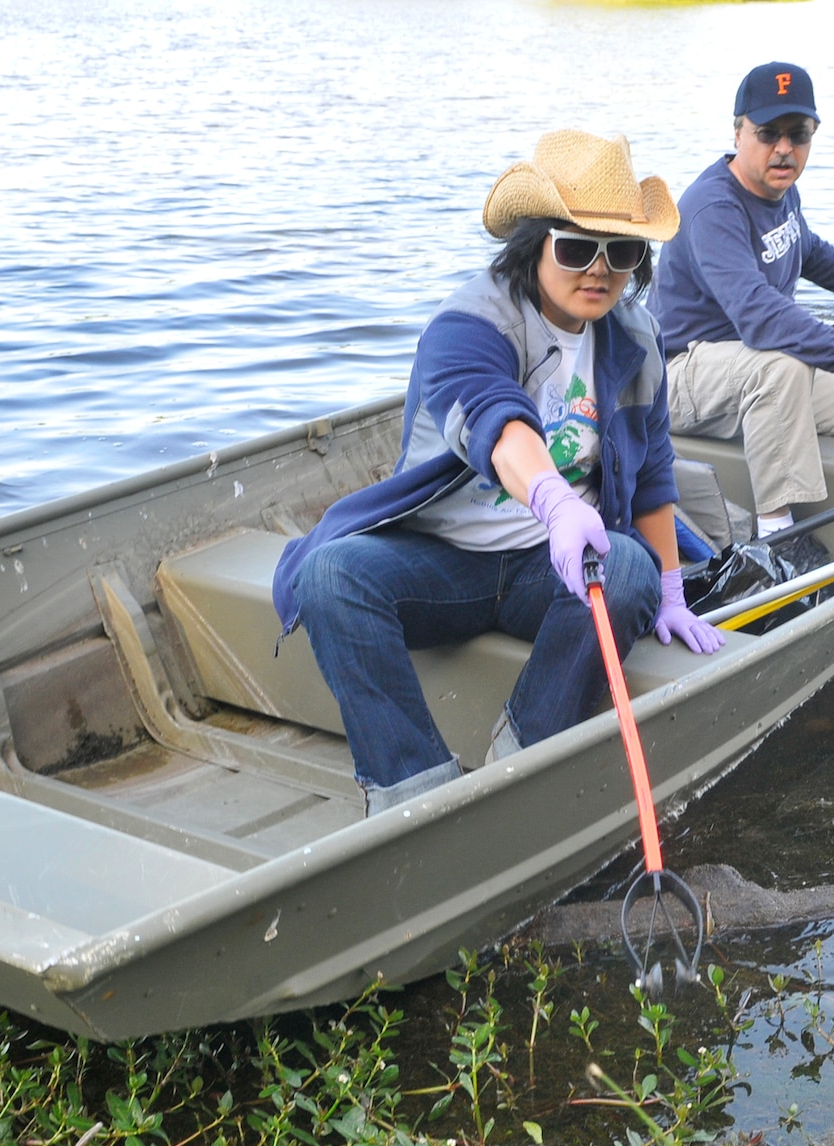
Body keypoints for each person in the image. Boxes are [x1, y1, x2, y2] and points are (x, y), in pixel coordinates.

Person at [272, 130, 724, 816]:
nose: (598, 271)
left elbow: (653, 467)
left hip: (553, 568)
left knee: (626, 567)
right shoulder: (467, 324)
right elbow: (495, 421)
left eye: (622, 252)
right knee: (330, 576)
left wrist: (669, 590)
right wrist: (552, 498)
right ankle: (414, 794)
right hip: (442, 560)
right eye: (576, 248)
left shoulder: (635, 338)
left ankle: (516, 772)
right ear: (534, 244)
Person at [648, 61, 834, 545]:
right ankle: (778, 540)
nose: (784, 148)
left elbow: (808, 249)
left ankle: (819, 487)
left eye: (798, 134)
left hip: (751, 373)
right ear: (738, 134)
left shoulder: (780, 189)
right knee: (781, 363)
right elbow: (757, 314)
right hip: (678, 376)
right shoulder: (715, 208)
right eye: (767, 132)